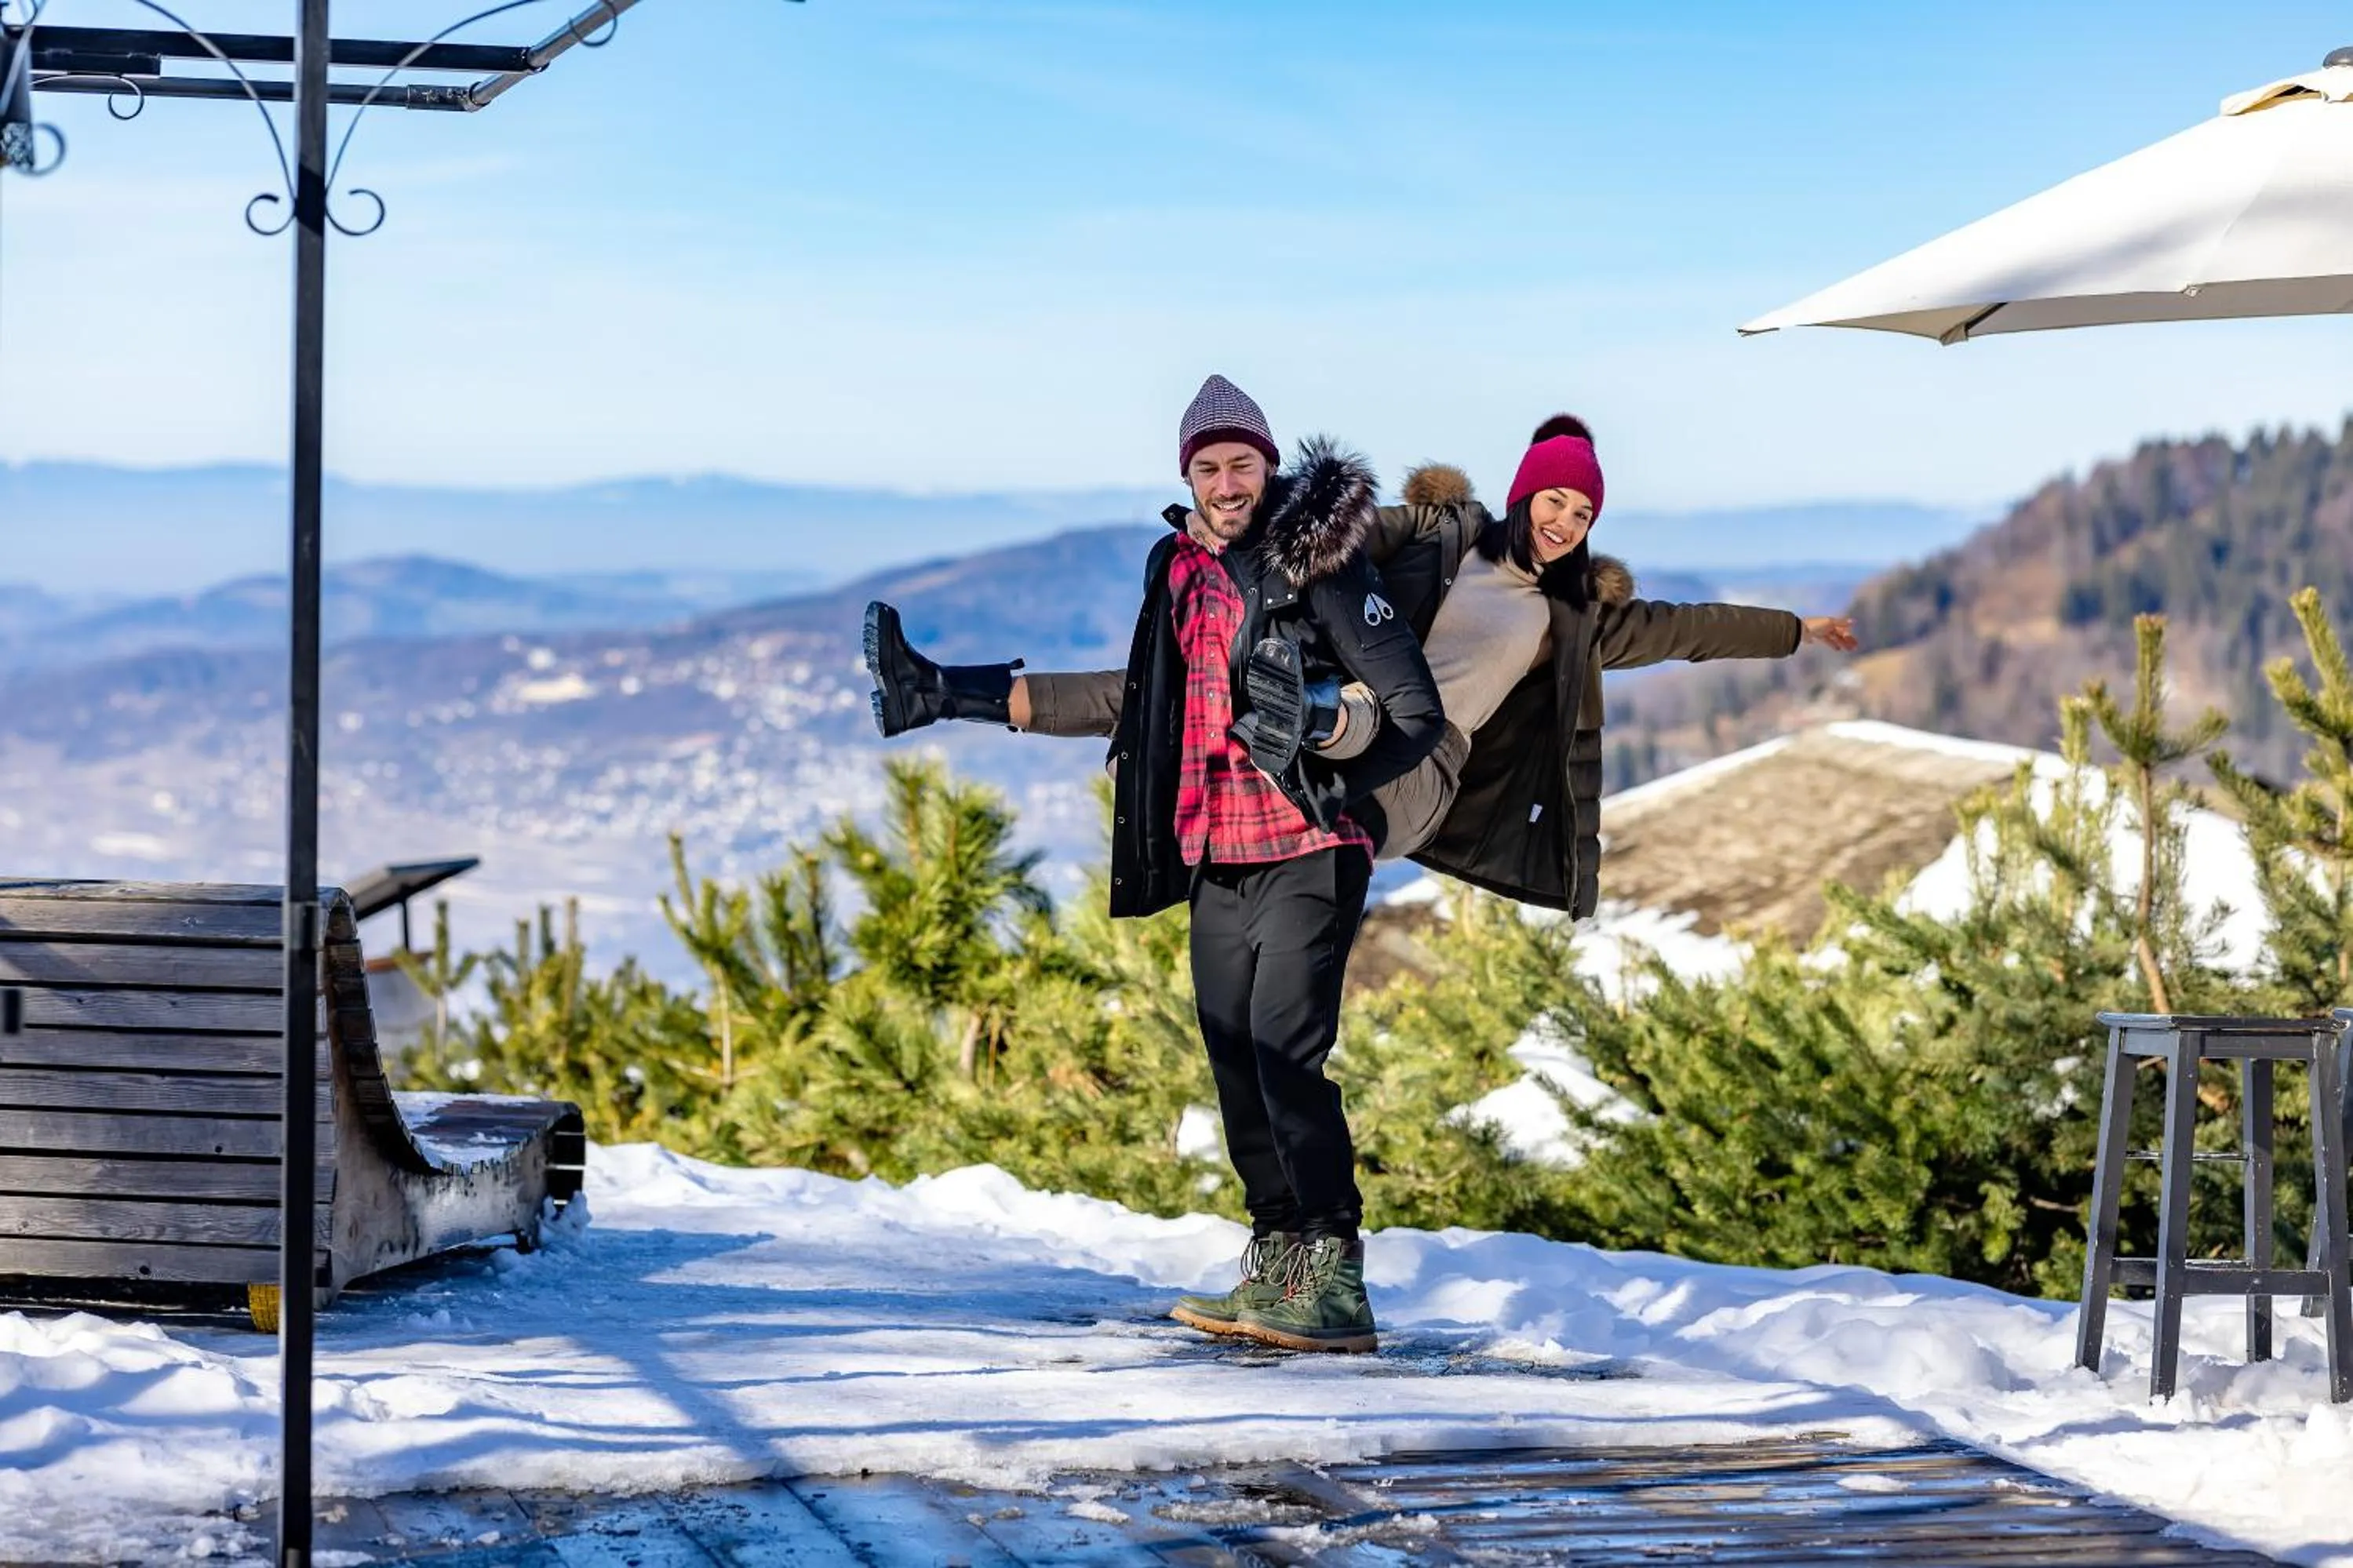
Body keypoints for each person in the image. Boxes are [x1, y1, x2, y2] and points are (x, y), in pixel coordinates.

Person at [865, 374, 1443, 1355]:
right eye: (1208, 467)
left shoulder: (1324, 567)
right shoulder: (1173, 570)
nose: (1227, 483)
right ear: (1187, 474)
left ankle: (1334, 1273)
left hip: (1308, 844)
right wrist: (950, 693)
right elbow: (1137, 700)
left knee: (1282, 1053)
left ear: (1270, 467)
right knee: (1230, 1059)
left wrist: (1324, 743)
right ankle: (1276, 1256)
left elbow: (1415, 714)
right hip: (1215, 848)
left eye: (1242, 464)